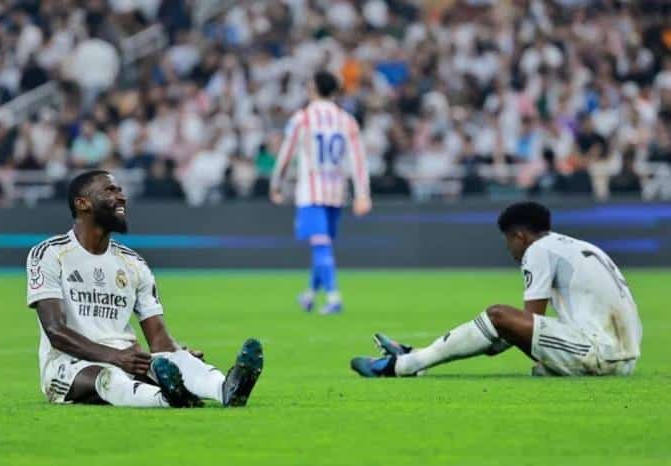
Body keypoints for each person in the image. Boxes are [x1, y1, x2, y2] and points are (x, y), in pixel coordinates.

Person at [26, 170, 263, 407]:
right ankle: (167, 399)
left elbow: (158, 339)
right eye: (110, 190)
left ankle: (227, 389)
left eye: (120, 190)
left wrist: (179, 355)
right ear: (82, 203)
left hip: (128, 359)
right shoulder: (50, 254)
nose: (121, 197)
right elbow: (55, 331)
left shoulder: (133, 263)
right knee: (110, 378)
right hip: (68, 366)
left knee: (180, 360)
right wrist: (116, 357)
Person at [351, 202, 642, 377]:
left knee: (498, 315)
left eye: (508, 241)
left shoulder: (538, 250)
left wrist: (496, 334)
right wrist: (494, 338)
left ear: (520, 236)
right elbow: (530, 330)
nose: (509, 249)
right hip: (624, 357)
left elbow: (530, 322)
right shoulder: (575, 246)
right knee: (499, 324)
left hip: (602, 354)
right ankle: (418, 356)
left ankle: (403, 366)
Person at [269, 71, 372, 314]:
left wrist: (276, 184)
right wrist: (362, 194)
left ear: (313, 88)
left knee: (320, 245)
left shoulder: (303, 118)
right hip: (336, 191)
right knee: (322, 243)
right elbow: (358, 160)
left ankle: (334, 298)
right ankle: (310, 294)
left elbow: (286, 154)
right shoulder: (347, 120)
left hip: (311, 192)